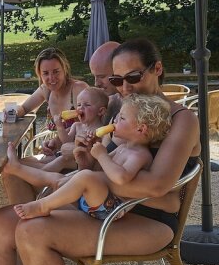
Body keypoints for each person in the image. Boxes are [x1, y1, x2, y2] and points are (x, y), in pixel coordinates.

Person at [0, 38, 200, 265]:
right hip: (107, 205)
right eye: (116, 80)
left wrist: (94, 172)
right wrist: (86, 158)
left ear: (158, 69)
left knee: (32, 231)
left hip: (149, 220)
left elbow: (158, 186)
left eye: (133, 77)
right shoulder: (120, 110)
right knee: (4, 221)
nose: (124, 87)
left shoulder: (181, 119)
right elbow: (99, 170)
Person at [13, 94, 172, 220]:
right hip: (96, 201)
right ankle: (16, 169)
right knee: (60, 178)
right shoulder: (123, 147)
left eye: (122, 118)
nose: (115, 120)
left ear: (141, 129)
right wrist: (87, 157)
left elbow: (121, 177)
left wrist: (102, 155)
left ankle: (42, 206)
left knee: (85, 178)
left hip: (110, 208)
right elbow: (98, 170)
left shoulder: (140, 155)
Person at [9, 47, 89, 167]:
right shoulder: (46, 90)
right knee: (9, 169)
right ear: (40, 75)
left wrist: (57, 140)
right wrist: (11, 113)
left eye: (56, 71)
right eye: (45, 73)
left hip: (78, 155)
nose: (51, 78)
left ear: (65, 69)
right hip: (56, 153)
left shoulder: (78, 89)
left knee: (15, 168)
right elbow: (25, 108)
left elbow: (92, 125)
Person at [41, 87, 109, 173]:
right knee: (42, 161)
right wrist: (60, 126)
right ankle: (33, 174)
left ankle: (39, 176)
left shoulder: (101, 131)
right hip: (67, 155)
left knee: (61, 160)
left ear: (100, 111)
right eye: (79, 105)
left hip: (82, 163)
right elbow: (66, 141)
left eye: (87, 105)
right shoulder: (77, 125)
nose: (80, 108)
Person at [89, 41, 122, 123]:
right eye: (94, 76)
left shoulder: (138, 107)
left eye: (101, 76)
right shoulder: (108, 100)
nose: (96, 84)